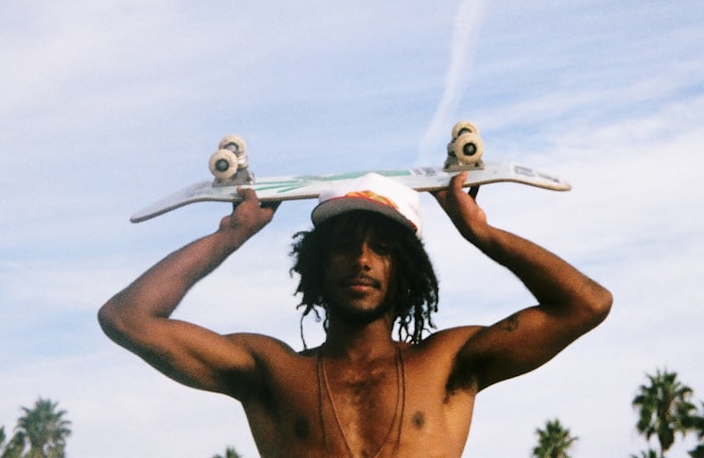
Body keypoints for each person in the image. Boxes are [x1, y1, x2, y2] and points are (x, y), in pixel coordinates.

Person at [99, 171, 612, 457]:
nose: (361, 260)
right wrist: (229, 237)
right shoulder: (274, 373)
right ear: (317, 267)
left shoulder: (449, 365)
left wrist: (482, 233)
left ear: (405, 270)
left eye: (381, 249)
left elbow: (587, 303)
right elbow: (127, 318)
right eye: (345, 247)